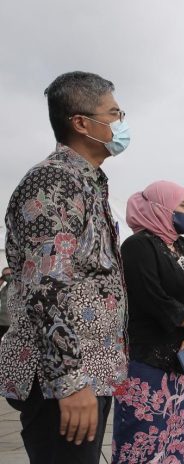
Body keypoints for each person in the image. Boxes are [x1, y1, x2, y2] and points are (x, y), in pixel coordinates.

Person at [0, 71, 130, 464]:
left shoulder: (86, 181)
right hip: (62, 381)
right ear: (81, 123)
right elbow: (46, 285)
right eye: (114, 113)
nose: (121, 123)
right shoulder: (54, 182)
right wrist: (70, 381)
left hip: (88, 373)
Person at [112, 180, 184, 463]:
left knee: (173, 442)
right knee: (142, 440)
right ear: (160, 207)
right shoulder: (137, 246)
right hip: (145, 362)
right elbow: (154, 299)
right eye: (183, 205)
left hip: (179, 362)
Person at [0, 268, 12, 340]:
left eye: (10, 274)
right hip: (2, 321)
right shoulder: (3, 289)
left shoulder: (18, 287)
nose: (8, 276)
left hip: (14, 322)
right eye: (6, 275)